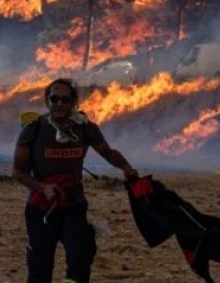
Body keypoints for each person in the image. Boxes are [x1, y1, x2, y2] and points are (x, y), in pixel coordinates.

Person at [12, 78, 138, 283]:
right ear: (47, 101)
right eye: (54, 99)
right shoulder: (34, 130)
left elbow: (107, 152)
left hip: (74, 206)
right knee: (40, 267)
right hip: (40, 210)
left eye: (65, 100)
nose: (59, 104)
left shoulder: (85, 129)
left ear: (73, 103)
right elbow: (17, 172)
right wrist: (42, 187)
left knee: (80, 260)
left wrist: (126, 168)